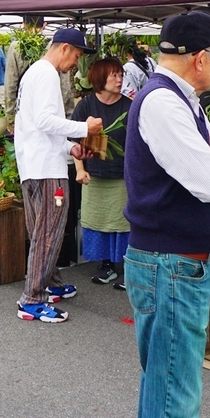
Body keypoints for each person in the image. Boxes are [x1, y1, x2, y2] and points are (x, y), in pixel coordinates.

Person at [124, 11, 210, 418]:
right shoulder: (163, 102)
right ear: (200, 57)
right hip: (171, 265)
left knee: (166, 383)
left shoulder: (179, 100)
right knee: (176, 393)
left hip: (173, 264)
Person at [14, 28, 102, 323]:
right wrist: (83, 130)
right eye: (76, 54)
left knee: (41, 232)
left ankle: (49, 283)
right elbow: (45, 120)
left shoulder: (33, 73)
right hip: (46, 171)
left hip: (33, 165)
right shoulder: (48, 74)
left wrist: (71, 149)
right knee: (48, 234)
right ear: (64, 48)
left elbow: (37, 126)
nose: (76, 62)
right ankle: (32, 299)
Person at [72, 57, 132, 289]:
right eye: (113, 75)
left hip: (122, 177)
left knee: (124, 223)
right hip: (95, 176)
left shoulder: (129, 106)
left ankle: (130, 269)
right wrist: (80, 170)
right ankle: (106, 266)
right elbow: (75, 141)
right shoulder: (86, 106)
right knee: (98, 221)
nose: (119, 80)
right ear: (99, 78)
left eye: (120, 75)